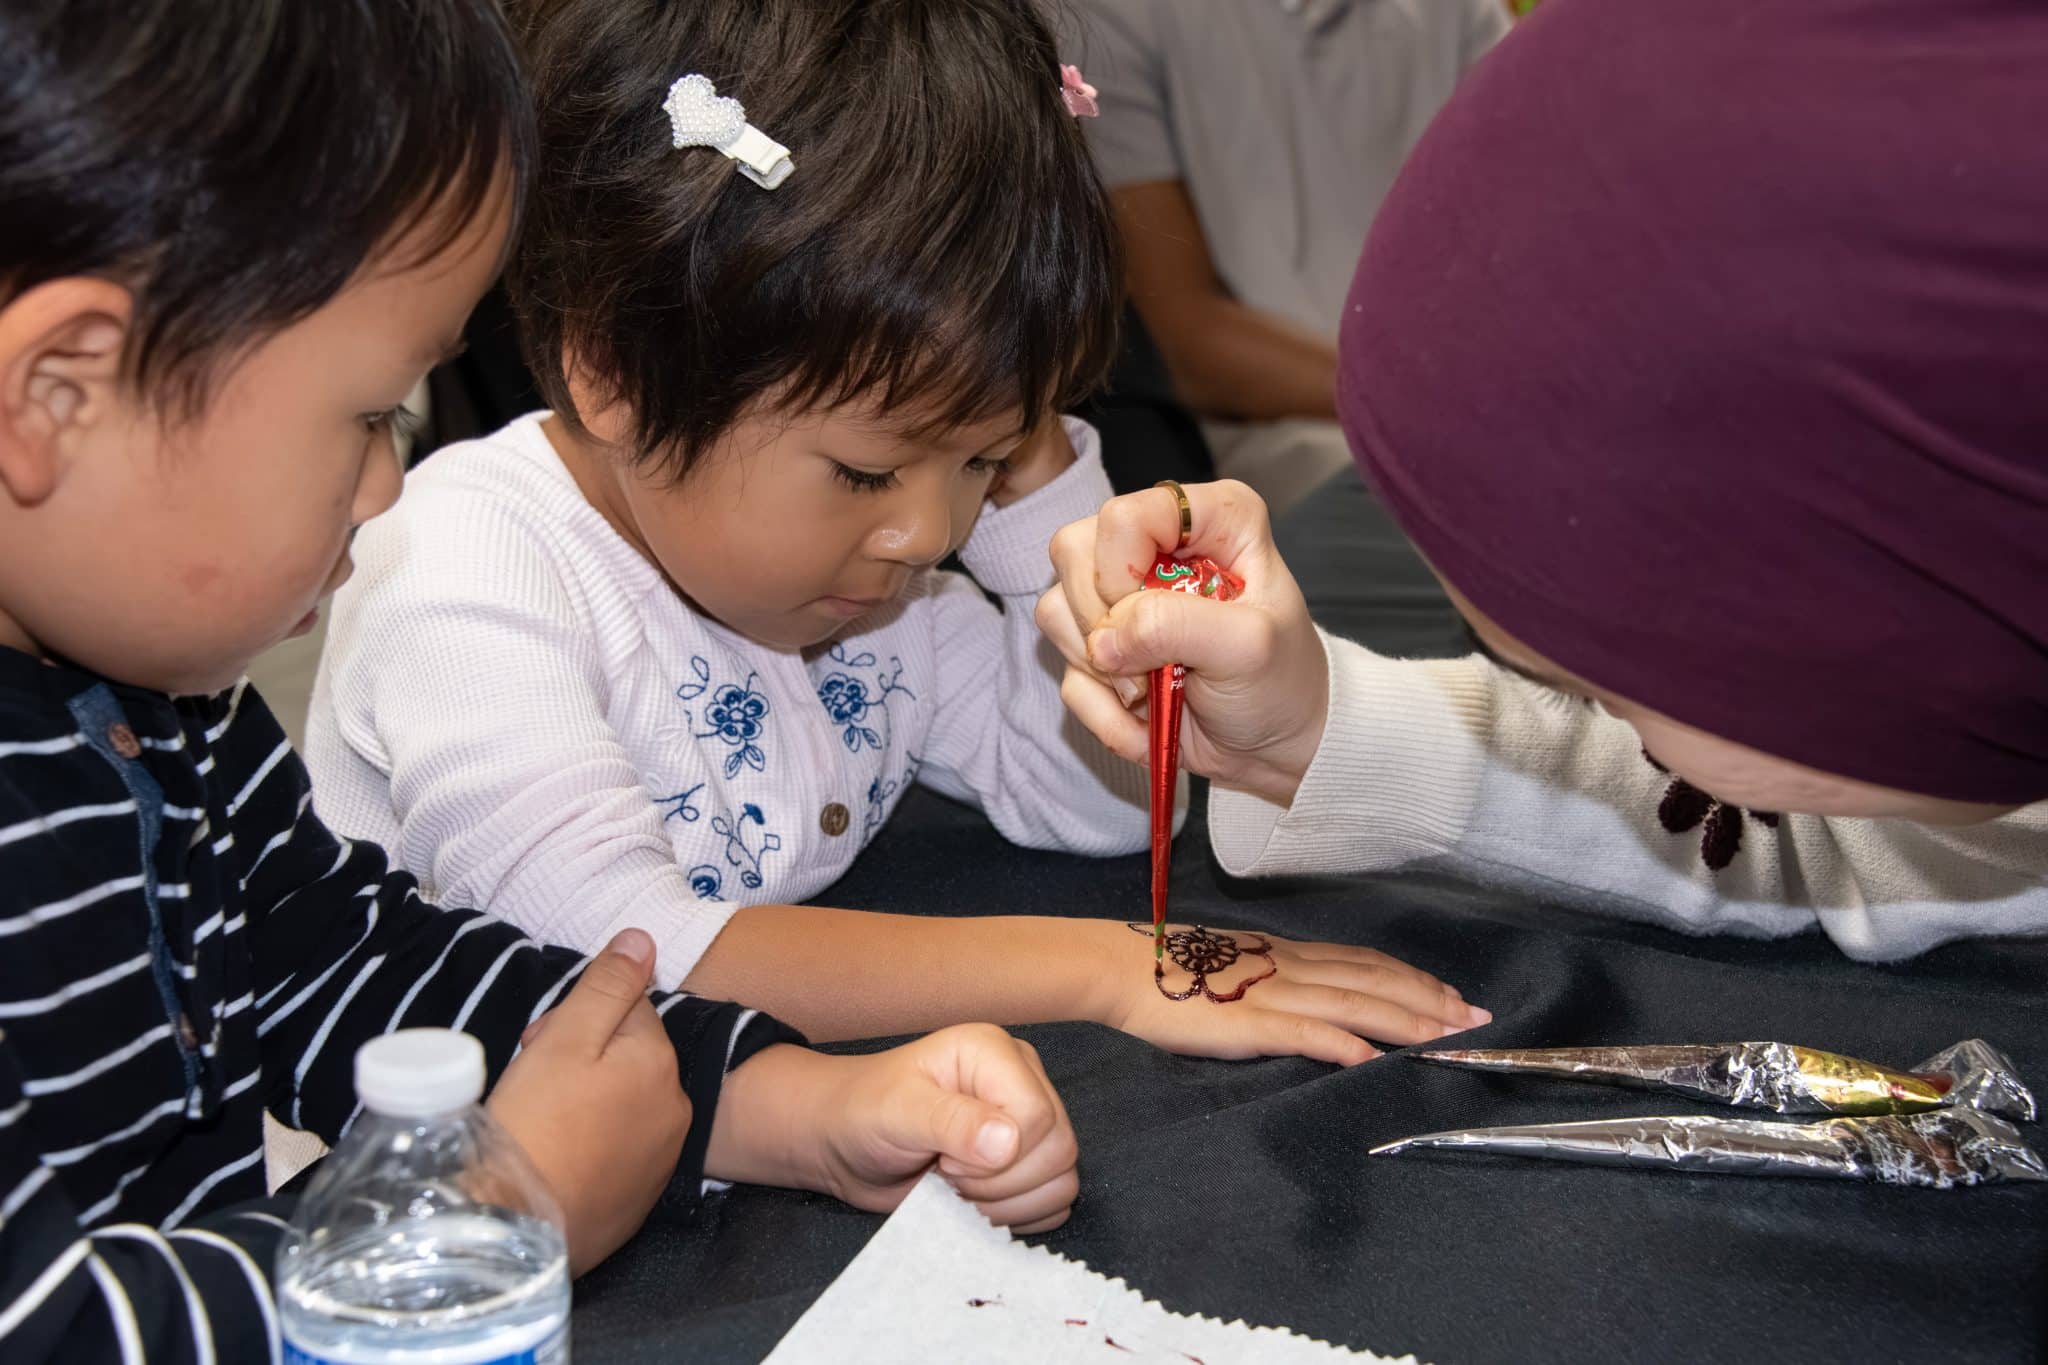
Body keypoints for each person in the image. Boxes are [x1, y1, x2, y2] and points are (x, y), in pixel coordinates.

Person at [0, 4, 1090, 1358]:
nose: (388, 480)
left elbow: (358, 966)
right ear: (54, 393)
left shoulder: (159, 710)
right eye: (365, 417)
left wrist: (766, 1103)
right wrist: (488, 1215)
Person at [305, 0, 1486, 1068]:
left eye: (977, 461)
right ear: (613, 373)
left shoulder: (876, 592)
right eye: (866, 470)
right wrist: (1098, 970)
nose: (927, 532)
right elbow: (617, 957)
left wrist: (1039, 485)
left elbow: (1101, 808)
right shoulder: (464, 572)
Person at [1037, 0, 2048, 962]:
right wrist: (1312, 726)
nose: (1590, 708)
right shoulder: (1938, 755)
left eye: (1593, 686)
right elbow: (1859, 844)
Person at [1061, 0, 1509, 512]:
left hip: (1465, 407)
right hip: (1290, 437)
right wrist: (1441, 404)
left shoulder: (1465, 16)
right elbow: (1188, 347)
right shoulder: (1103, 21)